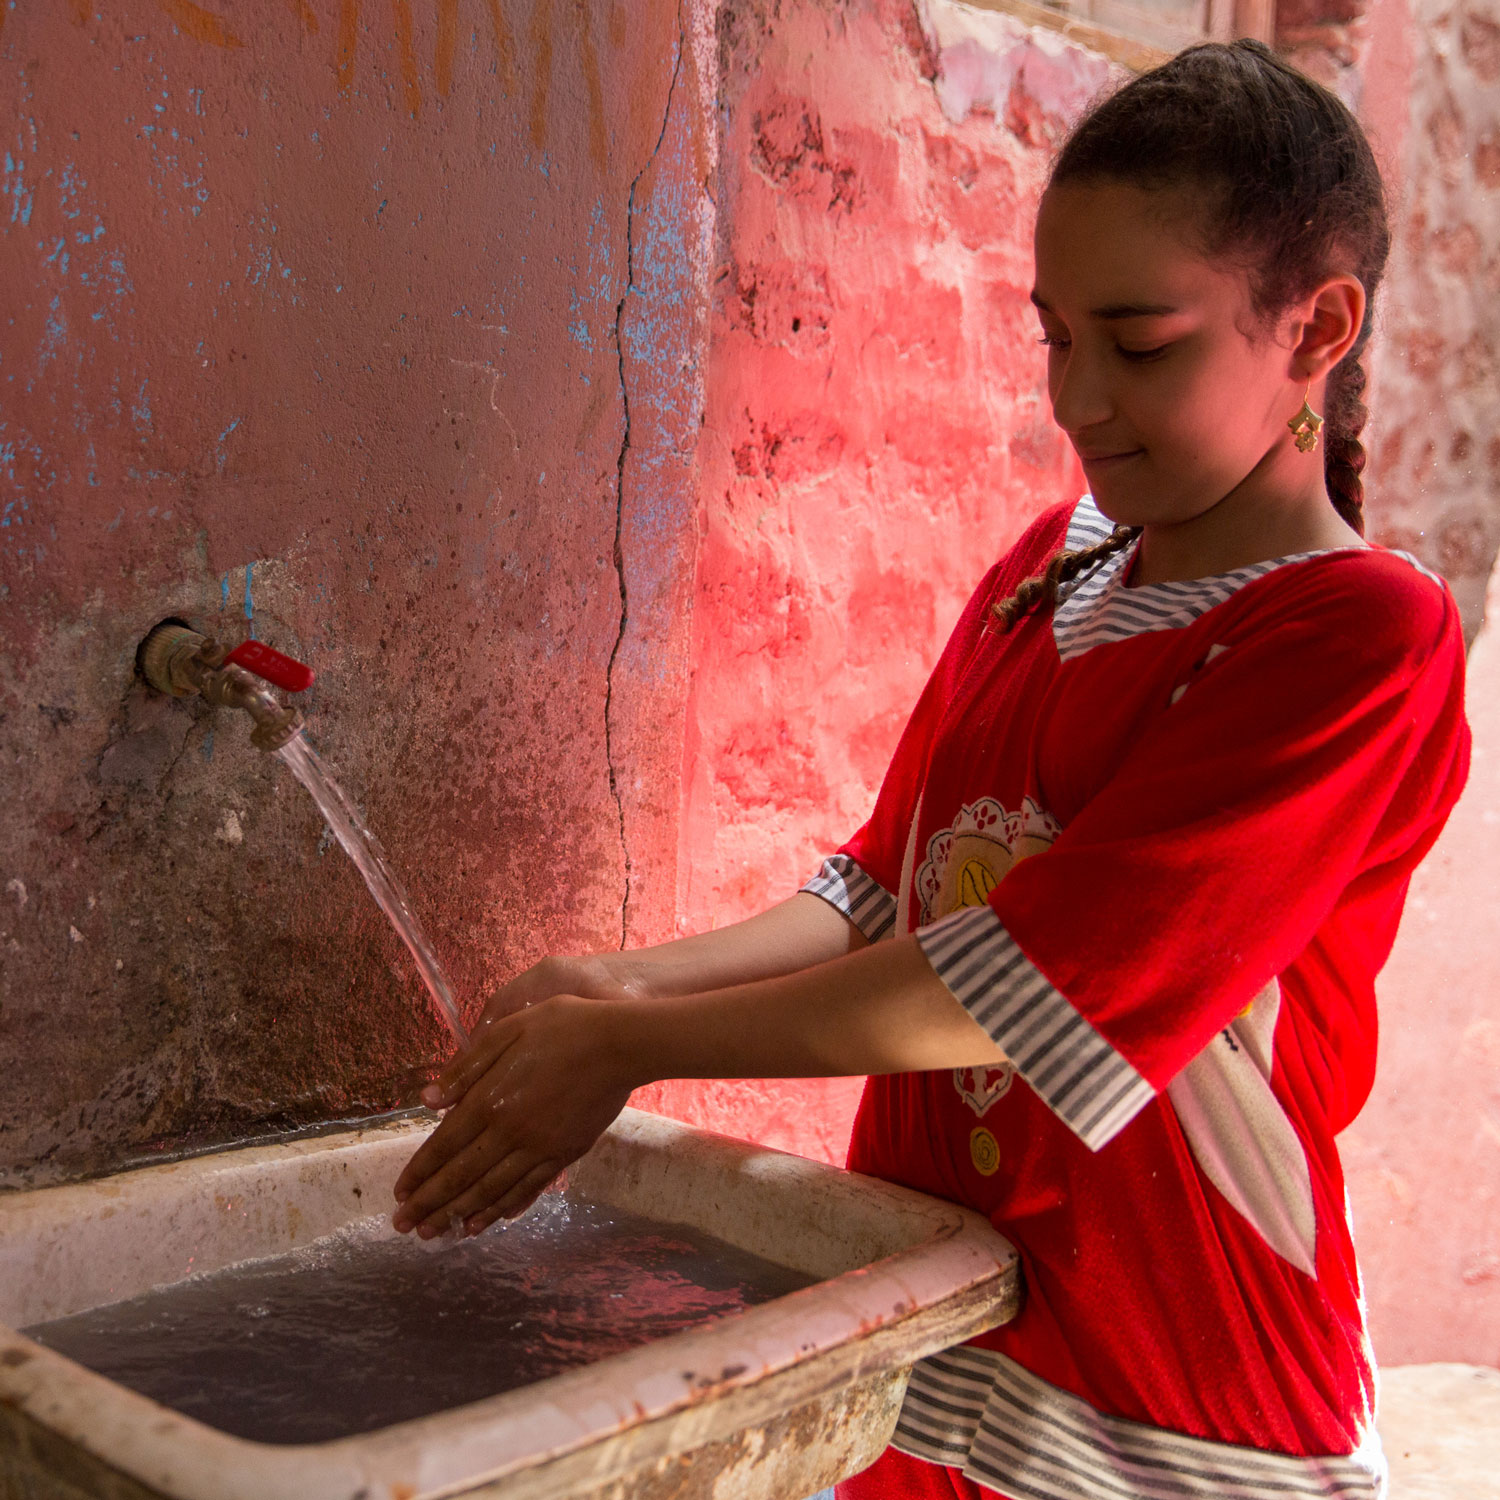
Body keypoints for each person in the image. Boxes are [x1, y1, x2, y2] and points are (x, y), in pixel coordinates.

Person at [391, 40, 1470, 1500]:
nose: (1080, 401)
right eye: (1057, 336)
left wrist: (636, 1051)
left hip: (1171, 1365)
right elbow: (877, 883)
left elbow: (1034, 987)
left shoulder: (1357, 637)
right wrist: (622, 985)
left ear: (1318, 327)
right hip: (941, 1299)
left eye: (1141, 342)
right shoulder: (1049, 571)